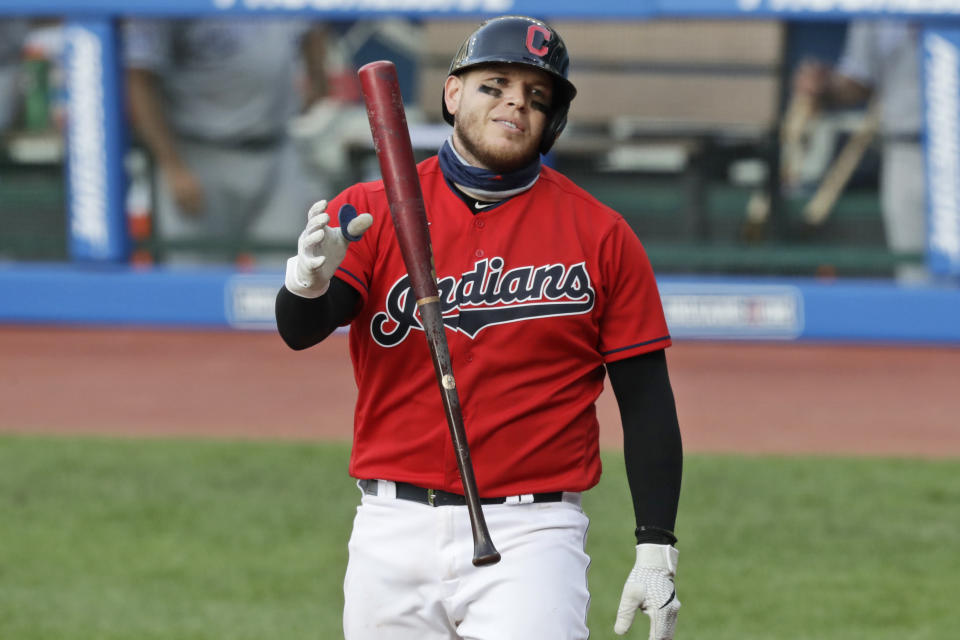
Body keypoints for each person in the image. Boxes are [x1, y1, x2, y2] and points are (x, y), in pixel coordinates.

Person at [275, 15, 683, 640]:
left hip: (533, 536)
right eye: (495, 85)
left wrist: (657, 545)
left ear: (553, 122)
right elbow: (301, 331)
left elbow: (646, 398)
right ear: (453, 93)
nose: (515, 103)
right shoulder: (371, 208)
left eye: (536, 97)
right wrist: (308, 282)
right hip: (391, 527)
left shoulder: (600, 234)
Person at [121, 18, 331, 265]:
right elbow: (138, 78)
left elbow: (311, 21)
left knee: (295, 275)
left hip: (278, 149)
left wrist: (317, 73)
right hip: (198, 154)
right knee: (195, 280)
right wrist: (172, 166)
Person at [792, 20, 927, 282]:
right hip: (907, 149)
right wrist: (825, 85)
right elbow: (859, 78)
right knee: (917, 277)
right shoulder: (875, 13)